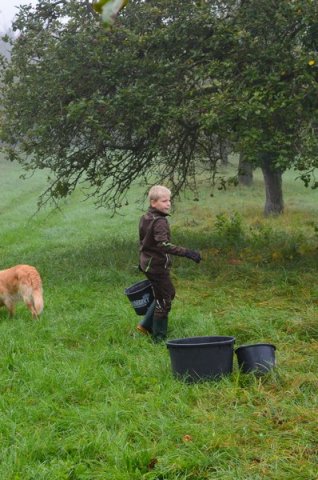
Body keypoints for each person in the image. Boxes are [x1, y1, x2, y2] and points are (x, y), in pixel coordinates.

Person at [137, 185, 201, 342]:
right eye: (164, 201)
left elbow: (143, 241)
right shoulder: (159, 222)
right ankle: (158, 338)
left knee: (166, 294)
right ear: (153, 203)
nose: (168, 204)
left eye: (169, 200)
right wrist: (188, 253)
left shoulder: (146, 217)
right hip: (156, 266)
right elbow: (163, 245)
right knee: (164, 300)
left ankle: (145, 325)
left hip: (147, 263)